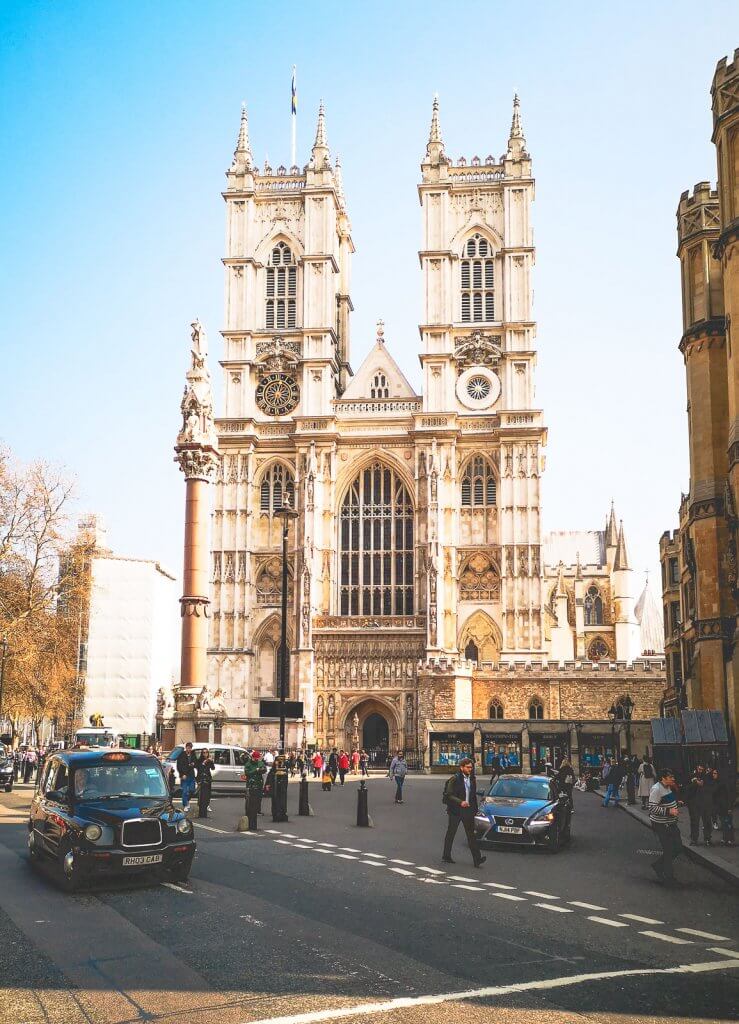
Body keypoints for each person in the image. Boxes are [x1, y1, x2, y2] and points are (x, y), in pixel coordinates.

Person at [441, 757, 486, 867]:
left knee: (471, 835)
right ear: (462, 768)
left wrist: (475, 810)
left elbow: (473, 796)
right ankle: (446, 856)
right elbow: (449, 794)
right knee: (451, 833)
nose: (470, 769)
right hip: (455, 810)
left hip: (468, 811)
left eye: (471, 767)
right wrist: (460, 802)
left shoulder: (472, 779)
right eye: (468, 767)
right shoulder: (454, 779)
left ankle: (477, 859)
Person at [649, 766, 684, 885]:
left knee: (678, 847)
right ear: (663, 778)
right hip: (661, 824)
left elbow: (666, 801)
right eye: (670, 777)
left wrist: (676, 803)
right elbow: (652, 808)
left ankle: (658, 865)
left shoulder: (668, 787)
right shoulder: (656, 789)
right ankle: (669, 878)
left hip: (671, 823)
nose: (673, 778)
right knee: (669, 850)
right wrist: (669, 811)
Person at [685, 764, 714, 846]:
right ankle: (694, 839)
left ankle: (708, 839)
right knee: (695, 822)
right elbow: (687, 789)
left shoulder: (707, 778)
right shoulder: (692, 777)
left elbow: (711, 789)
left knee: (707, 822)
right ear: (696, 769)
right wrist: (695, 783)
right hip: (694, 804)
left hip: (705, 804)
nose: (700, 771)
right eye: (699, 769)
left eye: (702, 769)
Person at [711, 767, 735, 846]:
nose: (713, 775)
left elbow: (729, 796)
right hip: (720, 807)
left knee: (728, 823)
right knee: (724, 823)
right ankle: (725, 838)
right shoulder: (716, 782)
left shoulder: (723, 783)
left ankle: (730, 839)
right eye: (713, 773)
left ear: (719, 774)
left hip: (725, 806)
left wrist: (729, 807)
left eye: (715, 773)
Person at [176, 741, 197, 812]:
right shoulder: (182, 755)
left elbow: (196, 762)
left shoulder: (193, 754)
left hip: (191, 775)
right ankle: (185, 805)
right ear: (186, 748)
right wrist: (182, 775)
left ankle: (187, 800)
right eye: (188, 748)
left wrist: (193, 764)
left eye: (190, 748)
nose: (189, 750)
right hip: (184, 776)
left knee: (192, 790)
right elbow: (179, 766)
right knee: (184, 791)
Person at [195, 748, 215, 818]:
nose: (205, 754)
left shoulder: (209, 761)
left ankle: (205, 812)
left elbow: (213, 768)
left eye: (206, 752)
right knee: (201, 797)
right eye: (203, 752)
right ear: (202, 753)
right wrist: (204, 762)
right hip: (201, 779)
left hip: (208, 779)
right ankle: (201, 814)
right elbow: (199, 769)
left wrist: (211, 761)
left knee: (207, 796)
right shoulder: (199, 760)